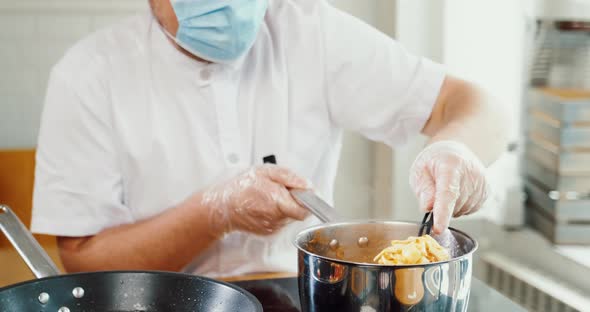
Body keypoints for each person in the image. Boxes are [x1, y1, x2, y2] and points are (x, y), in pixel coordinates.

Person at [31, 0, 508, 277]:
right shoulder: (89, 75)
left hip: (302, 292)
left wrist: (457, 149)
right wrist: (213, 212)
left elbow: (470, 104)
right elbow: (84, 260)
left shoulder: (310, 31)